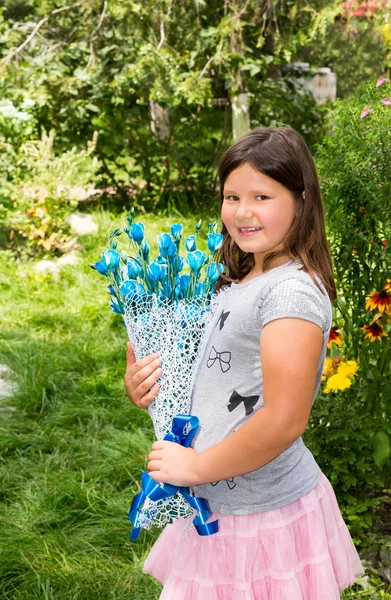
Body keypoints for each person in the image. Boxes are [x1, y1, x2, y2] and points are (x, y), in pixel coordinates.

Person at [124, 126, 365, 599]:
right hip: (216, 497)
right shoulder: (244, 276)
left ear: (302, 200)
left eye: (262, 195)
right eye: (231, 196)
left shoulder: (290, 294)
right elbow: (217, 369)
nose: (243, 211)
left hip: (259, 517)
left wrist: (196, 468)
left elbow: (284, 419)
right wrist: (148, 386)